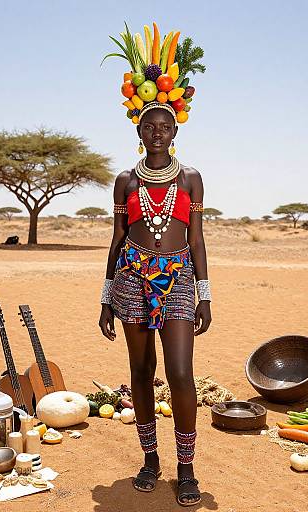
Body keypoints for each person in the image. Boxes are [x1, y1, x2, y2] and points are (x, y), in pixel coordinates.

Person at [99, 100, 212, 506]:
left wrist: (204, 293)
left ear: (175, 132)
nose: (158, 133)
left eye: (165, 126)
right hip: (131, 278)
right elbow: (116, 239)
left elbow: (196, 239)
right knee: (142, 371)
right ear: (139, 133)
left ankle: (186, 467)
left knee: (181, 373)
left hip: (179, 277)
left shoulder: (191, 179)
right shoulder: (126, 181)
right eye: (150, 127)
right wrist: (106, 297)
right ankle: (150, 459)